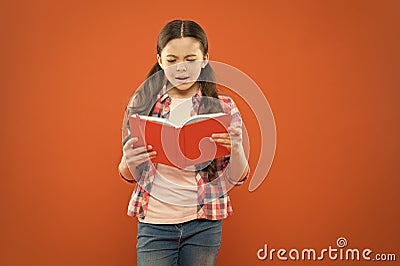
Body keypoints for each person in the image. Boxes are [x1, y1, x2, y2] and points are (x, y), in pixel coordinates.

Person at [118, 19, 250, 266]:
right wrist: (128, 160)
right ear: (159, 60)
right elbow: (127, 174)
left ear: (205, 58)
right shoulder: (143, 102)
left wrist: (237, 149)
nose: (182, 68)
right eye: (172, 60)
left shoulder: (223, 107)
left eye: (191, 59)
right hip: (155, 223)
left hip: (204, 224)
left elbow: (238, 176)